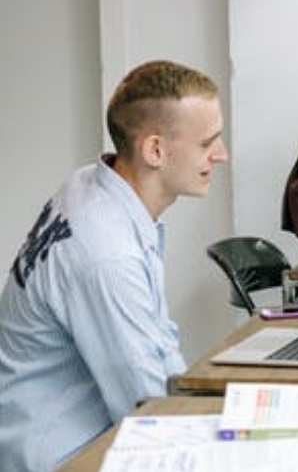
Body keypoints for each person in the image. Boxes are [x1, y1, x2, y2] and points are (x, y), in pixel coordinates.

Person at [0, 60, 228, 472]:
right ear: (155, 150)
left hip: (57, 430)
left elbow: (156, 345)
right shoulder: (107, 254)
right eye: (207, 142)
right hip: (61, 454)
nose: (221, 154)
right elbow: (146, 407)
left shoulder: (92, 183)